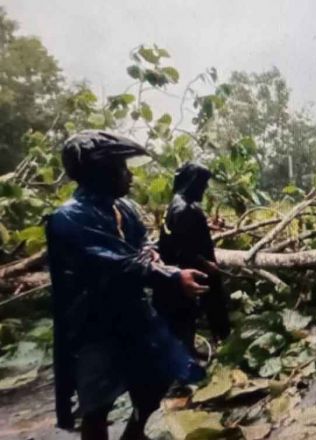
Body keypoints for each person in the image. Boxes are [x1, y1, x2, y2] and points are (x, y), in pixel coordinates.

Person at [46, 130, 208, 440]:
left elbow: (142, 245)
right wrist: (172, 275)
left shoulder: (125, 209)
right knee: (97, 406)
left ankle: (134, 433)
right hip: (93, 326)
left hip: (134, 315)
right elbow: (114, 262)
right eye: (122, 168)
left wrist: (152, 254)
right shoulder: (68, 218)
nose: (130, 175)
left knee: (156, 378)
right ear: (100, 172)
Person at [154, 162, 231, 354]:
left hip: (174, 271)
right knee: (190, 314)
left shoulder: (176, 203)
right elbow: (183, 249)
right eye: (202, 184)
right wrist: (206, 264)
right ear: (192, 183)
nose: (204, 188)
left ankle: (189, 352)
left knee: (185, 316)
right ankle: (190, 361)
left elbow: (183, 234)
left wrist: (209, 226)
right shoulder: (186, 209)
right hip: (191, 271)